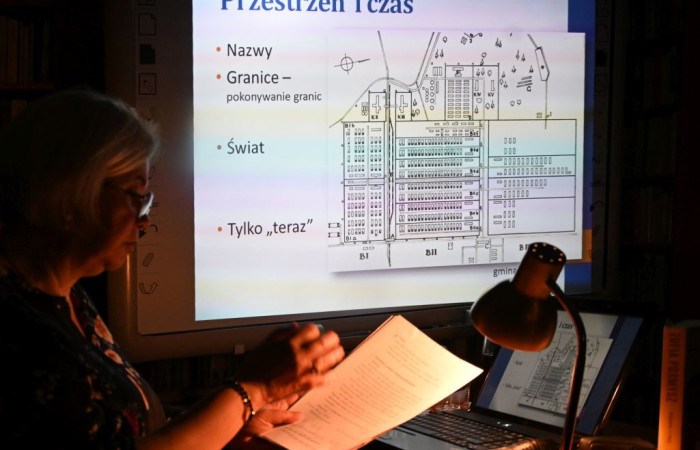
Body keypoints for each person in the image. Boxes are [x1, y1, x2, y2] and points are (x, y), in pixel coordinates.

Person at [0, 89, 345, 449]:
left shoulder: (68, 296)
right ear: (73, 190)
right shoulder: (14, 329)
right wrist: (252, 390)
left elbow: (128, 429)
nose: (145, 221)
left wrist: (233, 425)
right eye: (136, 196)